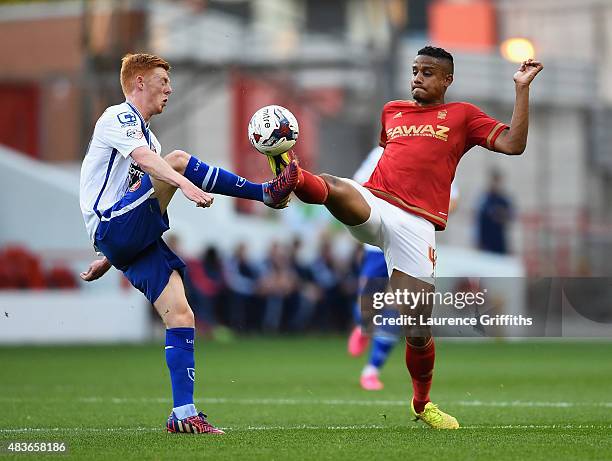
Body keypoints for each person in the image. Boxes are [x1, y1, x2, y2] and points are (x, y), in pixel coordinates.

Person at [270, 46, 543, 429]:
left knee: (415, 328)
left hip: (416, 226)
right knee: (333, 185)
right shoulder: (392, 111)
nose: (418, 77)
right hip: (375, 202)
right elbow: (392, 158)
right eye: (415, 70)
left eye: (428, 72)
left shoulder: (463, 115)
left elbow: (514, 144)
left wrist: (521, 89)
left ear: (447, 79)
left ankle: (422, 403)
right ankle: (290, 175)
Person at [78, 53, 298, 435]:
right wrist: (183, 183)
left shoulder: (148, 134)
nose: (170, 87)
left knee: (181, 315)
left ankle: (183, 414)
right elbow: (147, 163)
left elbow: (135, 193)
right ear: (139, 83)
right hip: (113, 228)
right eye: (162, 80)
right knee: (177, 159)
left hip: (124, 239)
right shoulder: (119, 117)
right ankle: (264, 192)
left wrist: (110, 258)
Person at [348, 146, 460, 391]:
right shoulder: (381, 153)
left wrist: (427, 211)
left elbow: (453, 199)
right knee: (367, 305)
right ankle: (363, 324)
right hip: (378, 240)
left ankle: (371, 370)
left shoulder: (440, 155)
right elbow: (357, 186)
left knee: (400, 307)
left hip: (413, 243)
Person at [476, 169, 514, 254]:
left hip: (499, 242)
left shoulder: (503, 200)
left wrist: (501, 215)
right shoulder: (485, 200)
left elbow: (510, 217)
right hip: (486, 243)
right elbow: (479, 220)